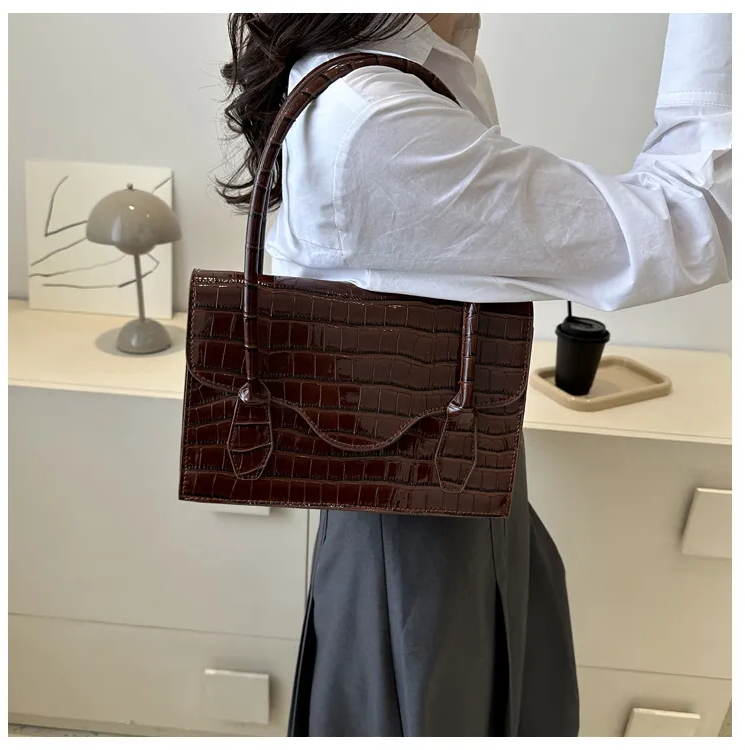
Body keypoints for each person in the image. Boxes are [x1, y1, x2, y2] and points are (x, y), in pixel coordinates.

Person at [218, 13, 732, 737]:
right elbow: (694, 220)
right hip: (415, 528)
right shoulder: (376, 122)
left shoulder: (419, 68)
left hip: (457, 482)